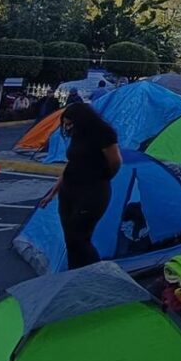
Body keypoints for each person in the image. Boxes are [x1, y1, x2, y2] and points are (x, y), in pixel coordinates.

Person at [37, 103, 122, 269]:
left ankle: (100, 274)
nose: (67, 128)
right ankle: (75, 275)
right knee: (70, 238)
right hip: (69, 191)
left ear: (82, 120)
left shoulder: (103, 134)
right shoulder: (77, 134)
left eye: (70, 123)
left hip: (92, 192)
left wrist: (103, 178)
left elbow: (116, 162)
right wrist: (54, 190)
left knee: (80, 237)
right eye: (66, 124)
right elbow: (73, 163)